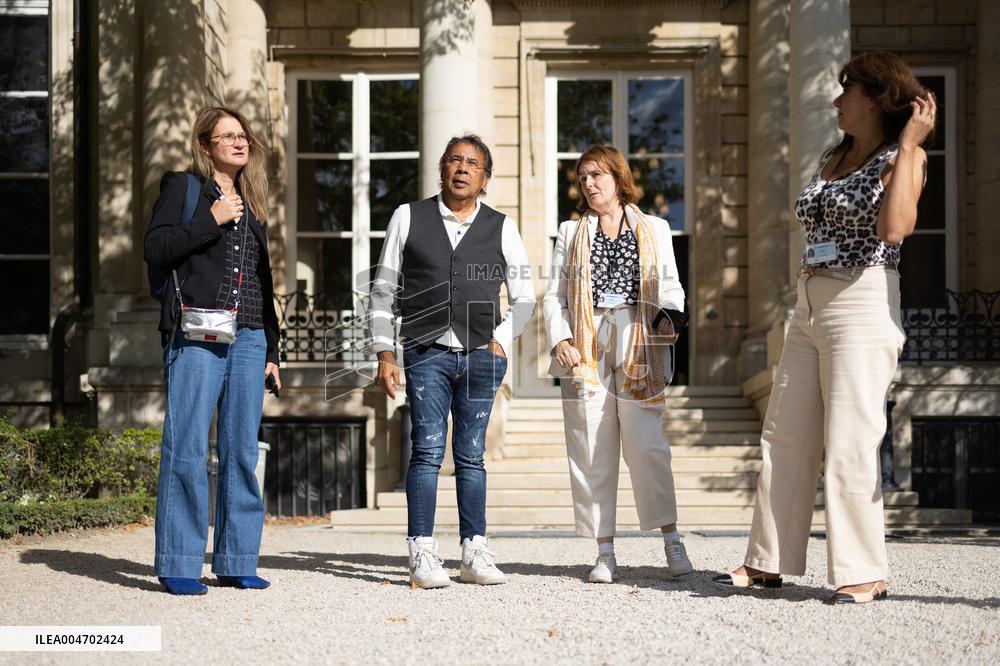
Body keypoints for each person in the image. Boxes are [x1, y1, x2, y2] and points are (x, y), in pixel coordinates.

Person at [713, 51, 935, 604]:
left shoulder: (901, 157)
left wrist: (908, 146)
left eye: (847, 91)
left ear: (878, 98)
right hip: (809, 301)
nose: (837, 100)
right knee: (784, 436)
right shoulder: (833, 154)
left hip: (862, 298)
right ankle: (766, 561)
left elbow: (895, 228)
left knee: (850, 441)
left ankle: (863, 569)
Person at [368, 135, 536, 589]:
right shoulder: (408, 217)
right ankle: (422, 552)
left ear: (485, 178)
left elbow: (524, 299)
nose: (462, 169)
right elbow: (383, 291)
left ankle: (474, 551)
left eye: (473, 164)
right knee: (426, 450)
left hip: (482, 355)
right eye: (455, 160)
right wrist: (385, 352)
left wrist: (499, 341)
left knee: (472, 456)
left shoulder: (502, 226)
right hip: (424, 352)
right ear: (442, 168)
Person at [144, 106, 282, 595]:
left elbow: (262, 283)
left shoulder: (253, 200)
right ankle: (180, 563)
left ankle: (237, 558)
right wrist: (211, 219)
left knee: (242, 452)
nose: (239, 143)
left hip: (248, 338)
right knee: (186, 448)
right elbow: (156, 250)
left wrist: (273, 349)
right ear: (205, 146)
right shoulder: (183, 189)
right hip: (197, 332)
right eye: (227, 136)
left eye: (243, 135)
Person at [542, 144, 693, 583]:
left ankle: (671, 539)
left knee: (647, 446)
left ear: (617, 177)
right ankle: (604, 551)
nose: (588, 184)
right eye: (582, 178)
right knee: (591, 447)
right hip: (587, 343)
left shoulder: (655, 228)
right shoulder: (571, 233)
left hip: (638, 338)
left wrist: (669, 317)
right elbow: (555, 295)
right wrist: (560, 337)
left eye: (596, 175)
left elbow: (670, 286)